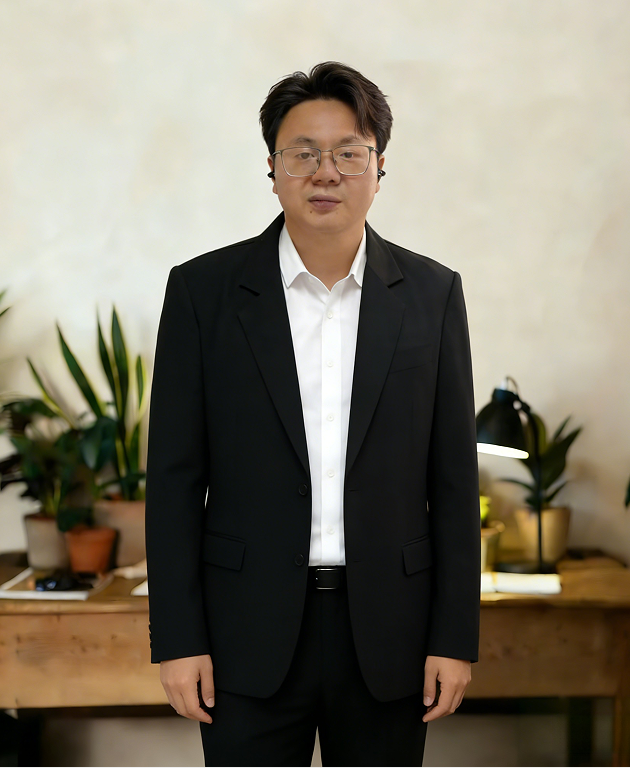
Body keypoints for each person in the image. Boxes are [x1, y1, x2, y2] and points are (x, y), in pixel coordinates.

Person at [145, 61, 481, 767]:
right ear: (272, 168)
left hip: (389, 632)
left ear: (378, 168)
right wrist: (178, 640)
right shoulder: (205, 294)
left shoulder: (432, 294)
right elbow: (173, 480)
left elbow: (452, 481)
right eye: (303, 153)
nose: (324, 171)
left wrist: (454, 637)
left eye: (347, 153)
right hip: (246, 633)